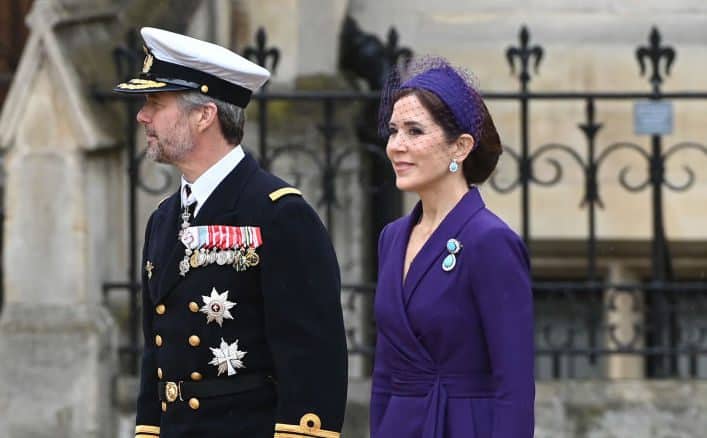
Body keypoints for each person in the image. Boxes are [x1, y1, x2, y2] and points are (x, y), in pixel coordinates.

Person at [113, 27, 348, 438]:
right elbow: (157, 354)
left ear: (204, 115)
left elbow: (312, 361)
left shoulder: (279, 214)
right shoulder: (163, 218)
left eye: (155, 102)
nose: (142, 116)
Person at [370, 57, 535, 438]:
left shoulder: (490, 240)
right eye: (394, 131)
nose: (396, 146)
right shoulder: (392, 237)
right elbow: (385, 370)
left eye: (414, 131)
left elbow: (515, 383)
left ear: (460, 147)